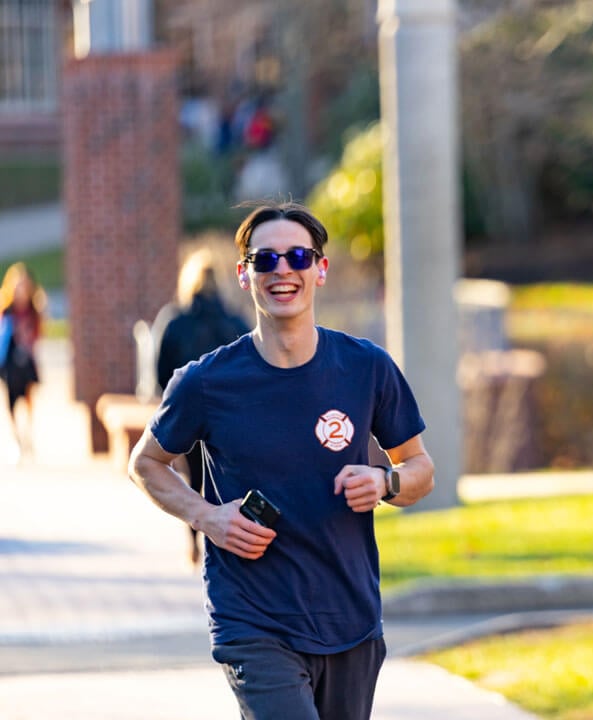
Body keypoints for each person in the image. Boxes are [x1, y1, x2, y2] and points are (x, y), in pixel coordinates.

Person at [127, 202, 435, 719]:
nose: (282, 270)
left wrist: (385, 481)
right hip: (252, 620)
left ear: (320, 268)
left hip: (349, 616)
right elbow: (147, 462)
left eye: (297, 255)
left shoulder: (366, 368)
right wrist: (207, 516)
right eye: (265, 260)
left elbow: (421, 469)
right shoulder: (206, 382)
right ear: (245, 275)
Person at [151, 248, 251, 565]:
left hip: (187, 418)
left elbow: (160, 370)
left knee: (193, 478)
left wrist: (170, 408)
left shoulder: (175, 321)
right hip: (233, 416)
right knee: (229, 478)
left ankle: (194, 540)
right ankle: (234, 534)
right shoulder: (236, 320)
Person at [0, 263, 47, 459]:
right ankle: (18, 440)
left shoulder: (33, 310)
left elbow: (39, 334)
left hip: (26, 359)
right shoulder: (7, 310)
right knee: (10, 400)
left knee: (28, 398)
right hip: (9, 361)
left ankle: (27, 435)